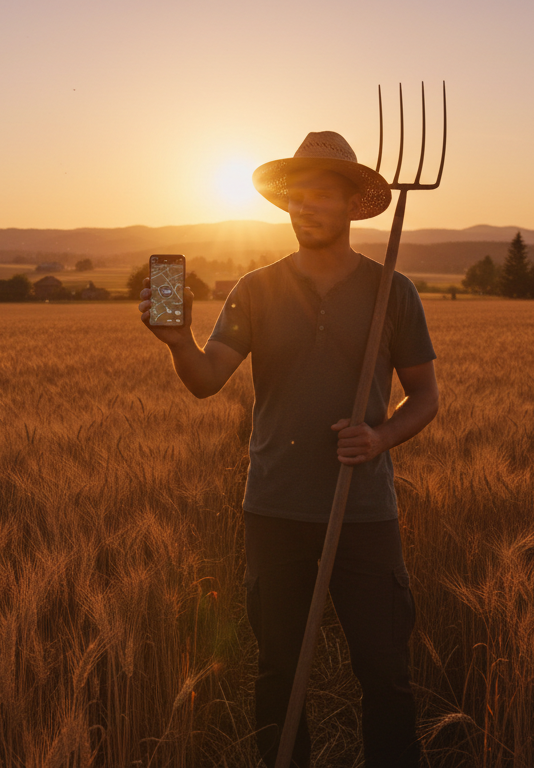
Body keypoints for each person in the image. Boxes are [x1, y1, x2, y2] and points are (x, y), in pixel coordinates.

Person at [138, 131, 439, 767]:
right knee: (279, 674)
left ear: (353, 205)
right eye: (296, 197)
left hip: (363, 513)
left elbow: (426, 398)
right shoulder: (256, 289)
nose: (306, 208)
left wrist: (380, 436)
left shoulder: (394, 292)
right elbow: (205, 380)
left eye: (321, 195)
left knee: (385, 672)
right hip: (274, 509)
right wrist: (177, 340)